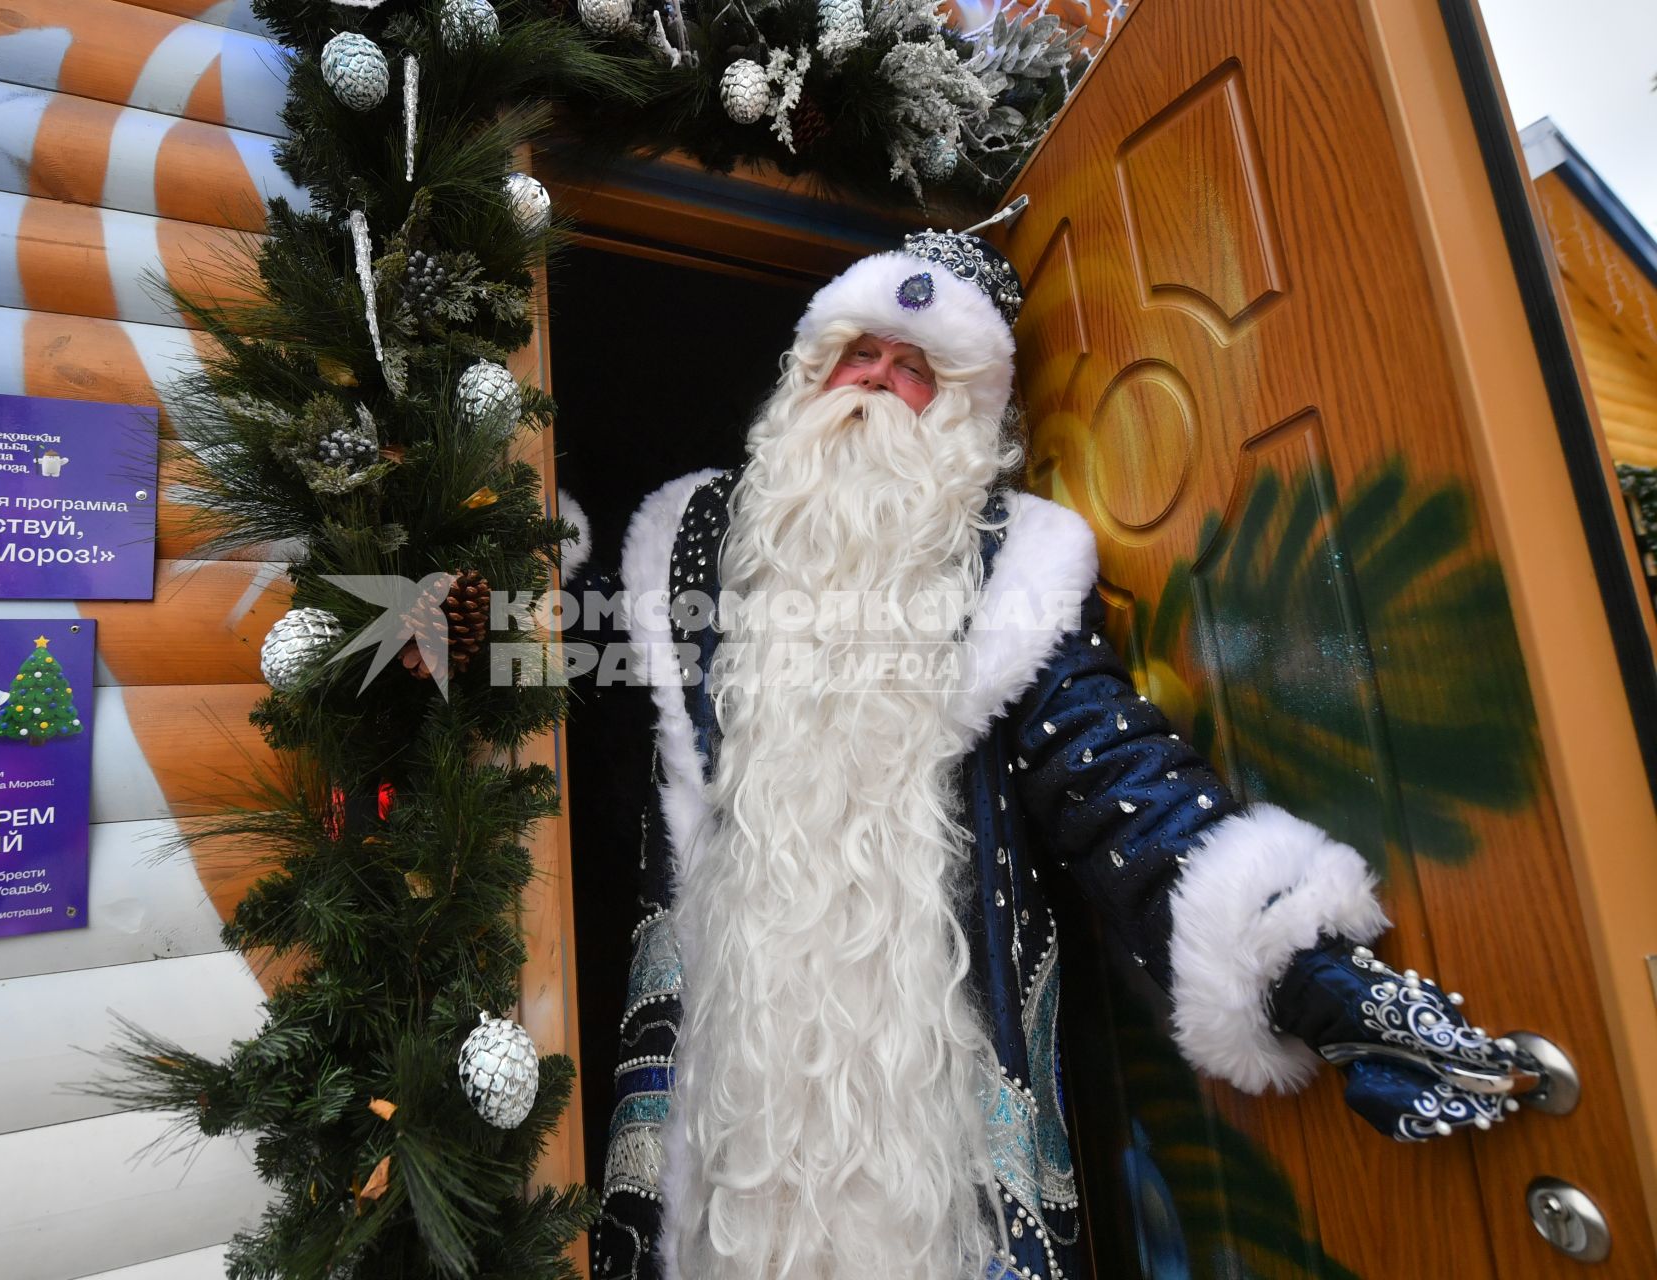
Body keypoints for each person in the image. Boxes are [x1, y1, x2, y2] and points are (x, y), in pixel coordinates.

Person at [586, 230, 1541, 1280]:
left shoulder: (1014, 568)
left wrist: (1314, 977)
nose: (879, 383)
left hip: (930, 1109)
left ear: (963, 416)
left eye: (918, 370)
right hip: (715, 1090)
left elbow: (1115, 776)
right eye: (863, 352)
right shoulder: (689, 539)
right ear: (813, 367)